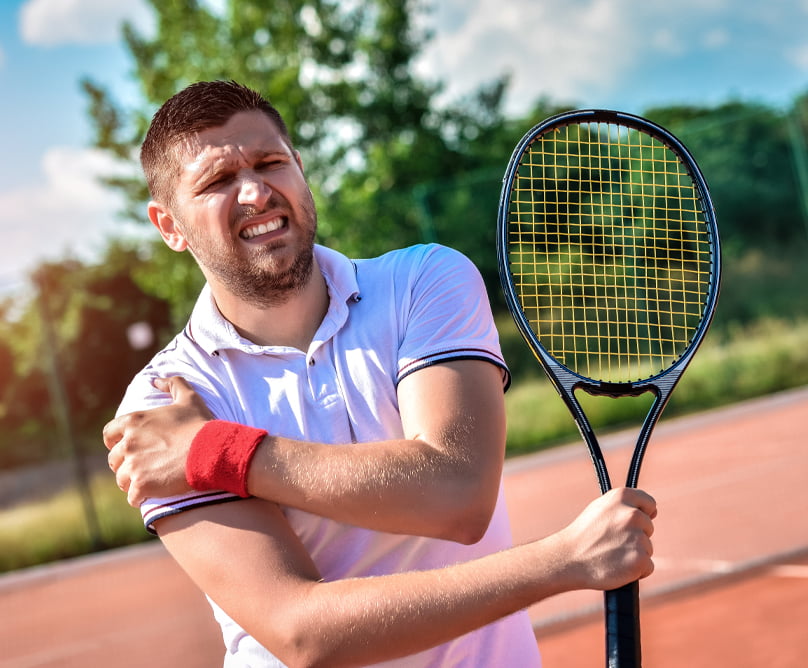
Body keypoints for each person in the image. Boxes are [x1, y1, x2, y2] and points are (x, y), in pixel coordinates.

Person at [103, 80, 656, 668]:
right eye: (216, 181)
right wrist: (564, 561)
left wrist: (218, 452)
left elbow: (457, 496)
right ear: (168, 226)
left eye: (271, 162)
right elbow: (303, 632)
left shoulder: (424, 281)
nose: (255, 192)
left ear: (301, 168)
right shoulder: (164, 404)